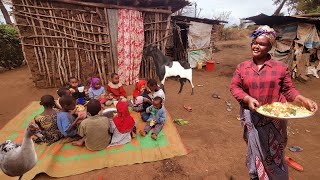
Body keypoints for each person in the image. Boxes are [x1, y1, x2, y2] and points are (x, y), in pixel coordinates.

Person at [229, 25, 318, 180]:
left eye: (262, 44)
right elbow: (235, 87)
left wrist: (303, 100)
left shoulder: (280, 68)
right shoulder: (242, 67)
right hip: (251, 118)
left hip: (274, 119)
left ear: (269, 47)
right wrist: (247, 98)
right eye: (255, 42)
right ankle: (257, 176)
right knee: (256, 150)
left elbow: (288, 90)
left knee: (274, 151)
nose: (256, 46)